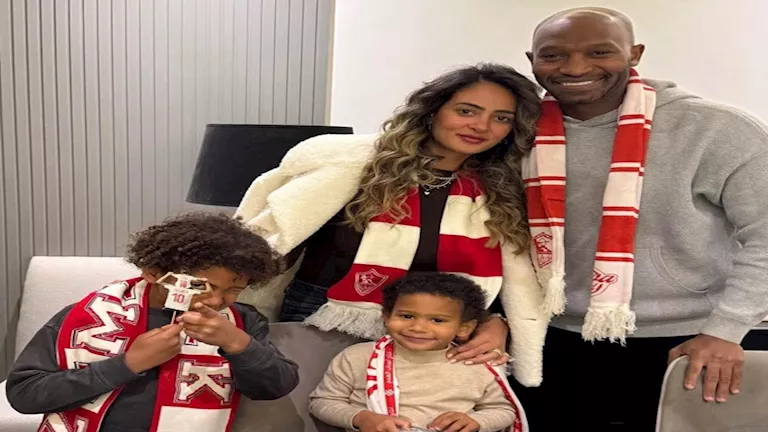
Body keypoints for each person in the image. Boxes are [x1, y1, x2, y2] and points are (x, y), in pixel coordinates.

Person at [516, 6, 768, 430]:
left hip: (687, 341)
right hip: (546, 337)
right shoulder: (515, 130)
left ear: (634, 54)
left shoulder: (717, 129)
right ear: (532, 60)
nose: (575, 68)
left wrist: (725, 330)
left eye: (600, 52)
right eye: (554, 55)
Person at [235, 63, 549, 388]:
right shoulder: (352, 165)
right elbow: (273, 241)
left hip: (438, 330)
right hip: (324, 317)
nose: (481, 126)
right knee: (312, 408)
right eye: (466, 111)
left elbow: (513, 278)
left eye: (501, 118)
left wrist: (498, 323)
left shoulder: (504, 189)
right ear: (432, 110)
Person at [6, 213, 299, 432]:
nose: (216, 300)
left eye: (234, 289)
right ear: (153, 273)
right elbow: (24, 395)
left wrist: (236, 343)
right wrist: (127, 364)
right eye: (203, 286)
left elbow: (275, 387)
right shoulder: (88, 318)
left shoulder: (242, 322)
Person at [309, 272, 526, 432]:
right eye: (407, 316)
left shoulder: (476, 364)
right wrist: (362, 418)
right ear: (386, 317)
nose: (418, 328)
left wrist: (476, 421)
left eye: (437, 320)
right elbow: (322, 402)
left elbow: (503, 410)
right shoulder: (357, 357)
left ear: (464, 328)